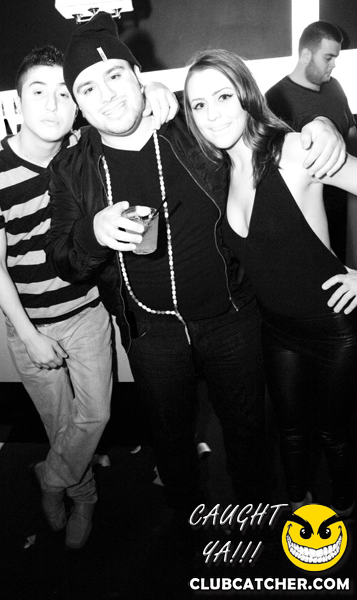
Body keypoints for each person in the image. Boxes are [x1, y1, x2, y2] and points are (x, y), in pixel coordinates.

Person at [45, 12, 346, 526]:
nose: (107, 95)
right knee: (171, 440)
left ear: (138, 77)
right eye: (88, 88)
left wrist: (319, 126)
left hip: (232, 317)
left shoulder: (190, 129)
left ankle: (257, 517)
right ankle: (188, 524)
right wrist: (93, 233)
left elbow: (253, 128)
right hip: (150, 333)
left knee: (249, 432)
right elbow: (61, 258)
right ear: (77, 103)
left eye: (116, 76)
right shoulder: (71, 169)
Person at [0, 45, 178, 550]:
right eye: (38, 92)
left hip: (87, 312)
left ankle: (52, 478)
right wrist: (29, 336)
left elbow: (134, 112)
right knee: (59, 423)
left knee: (96, 415)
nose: (52, 104)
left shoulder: (85, 146)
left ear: (78, 105)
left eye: (65, 93)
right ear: (17, 102)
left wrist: (155, 88)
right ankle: (83, 496)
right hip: (30, 324)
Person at [184, 48, 357, 517]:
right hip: (276, 331)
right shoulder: (221, 172)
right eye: (199, 104)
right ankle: (299, 501)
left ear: (246, 94)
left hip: (333, 329)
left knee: (334, 434)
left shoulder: (294, 150)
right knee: (291, 431)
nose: (212, 113)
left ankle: (344, 509)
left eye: (223, 96)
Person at [265, 20, 357, 262]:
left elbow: (350, 132)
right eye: (328, 58)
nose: (334, 64)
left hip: (346, 206)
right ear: (306, 55)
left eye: (335, 58)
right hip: (307, 220)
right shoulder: (275, 99)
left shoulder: (334, 87)